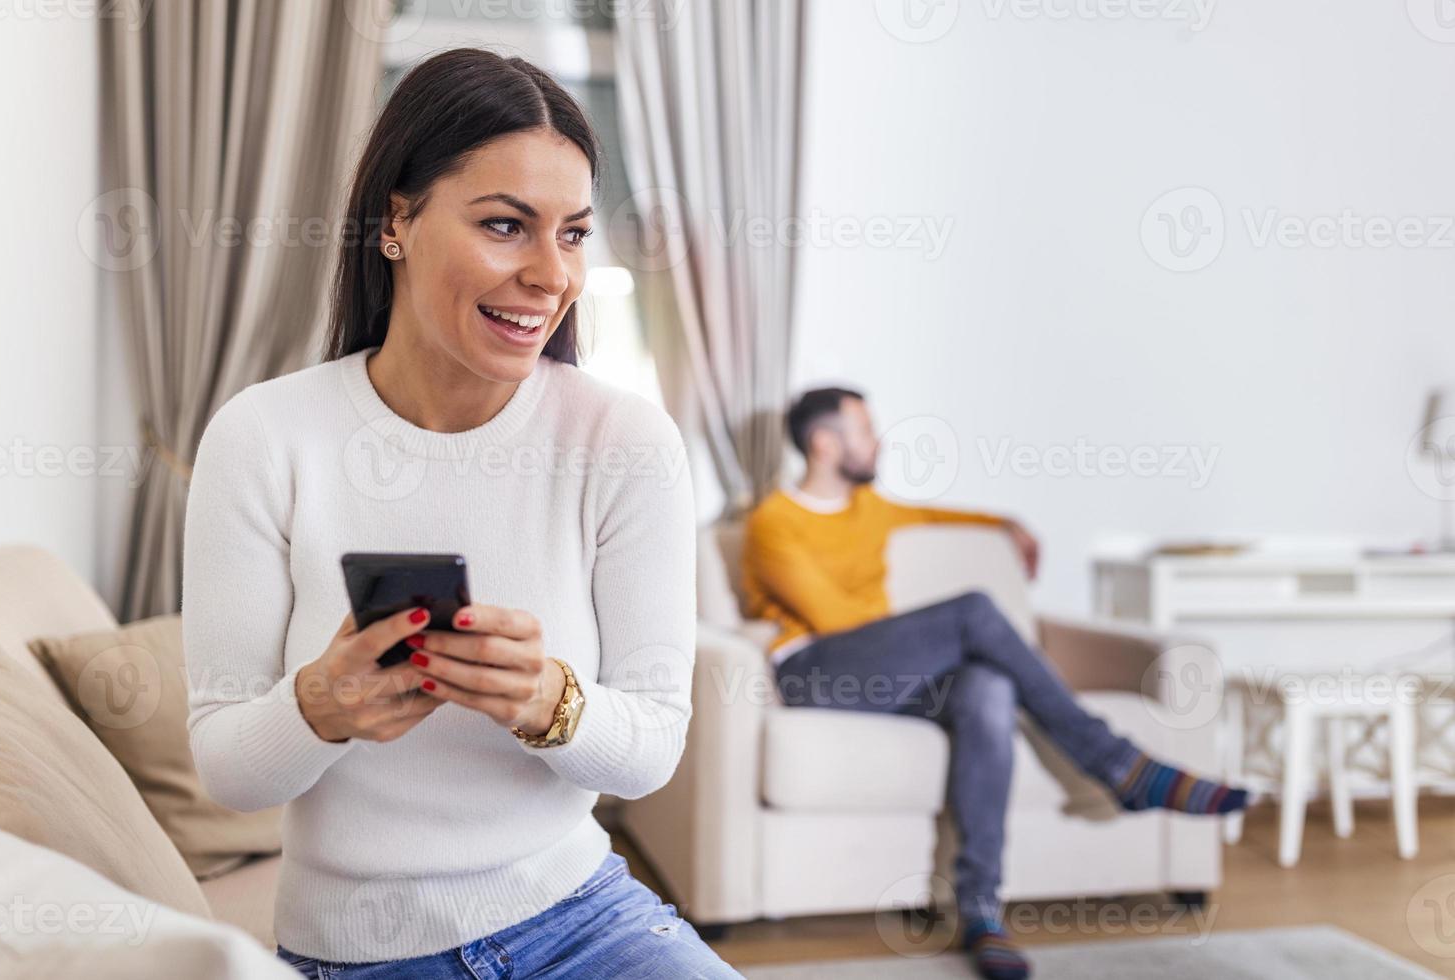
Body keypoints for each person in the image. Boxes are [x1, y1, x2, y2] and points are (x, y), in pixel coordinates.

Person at [182, 48, 741, 980]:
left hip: (581, 917)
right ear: (396, 220)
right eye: (504, 225)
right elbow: (229, 771)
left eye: (571, 234)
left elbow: (651, 749)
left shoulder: (624, 442)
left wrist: (546, 700)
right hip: (356, 954)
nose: (550, 273)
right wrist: (320, 705)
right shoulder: (263, 438)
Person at [741, 386, 1248, 980]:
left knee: (988, 687)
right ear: (825, 443)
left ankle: (981, 909)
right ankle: (1122, 767)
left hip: (892, 675)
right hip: (818, 673)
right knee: (974, 613)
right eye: (866, 430)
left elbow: (939, 515)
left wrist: (1008, 524)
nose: (880, 442)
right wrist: (933, 639)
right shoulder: (772, 521)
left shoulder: (871, 507)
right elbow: (834, 621)